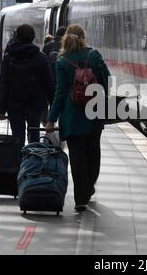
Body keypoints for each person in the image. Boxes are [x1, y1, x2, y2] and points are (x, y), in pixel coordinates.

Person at [45, 24, 111, 212]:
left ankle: (81, 198)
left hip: (71, 115)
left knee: (77, 157)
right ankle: (89, 187)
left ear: (66, 38)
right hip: (94, 112)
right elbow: (107, 78)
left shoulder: (62, 61)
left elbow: (60, 93)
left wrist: (51, 119)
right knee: (93, 152)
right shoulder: (94, 55)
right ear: (83, 37)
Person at [0, 24, 54, 146]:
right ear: (32, 37)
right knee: (34, 137)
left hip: (14, 104)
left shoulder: (8, 57)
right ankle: (33, 162)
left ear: (17, 37)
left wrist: (0, 109)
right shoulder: (41, 57)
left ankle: (18, 162)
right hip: (35, 103)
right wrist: (53, 110)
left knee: (17, 138)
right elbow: (48, 84)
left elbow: (4, 84)